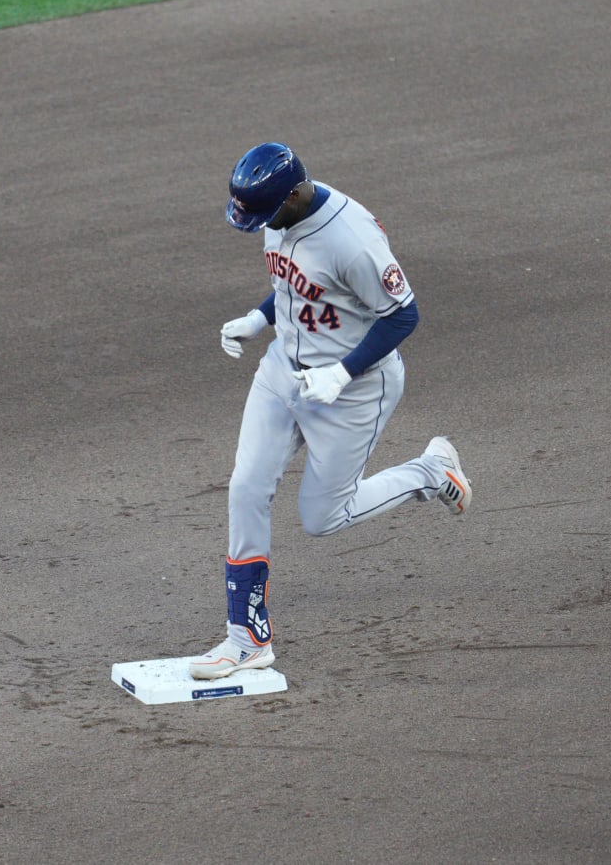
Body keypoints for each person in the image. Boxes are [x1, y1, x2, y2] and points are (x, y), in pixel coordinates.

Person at [188, 142, 472, 680]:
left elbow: (403, 315)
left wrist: (342, 372)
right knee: (245, 487)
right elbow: (295, 285)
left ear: (294, 193)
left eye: (266, 214)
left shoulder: (353, 240)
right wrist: (258, 317)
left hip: (355, 388)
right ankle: (246, 638)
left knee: (323, 518)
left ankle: (431, 472)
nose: (262, 225)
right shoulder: (281, 212)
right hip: (283, 373)